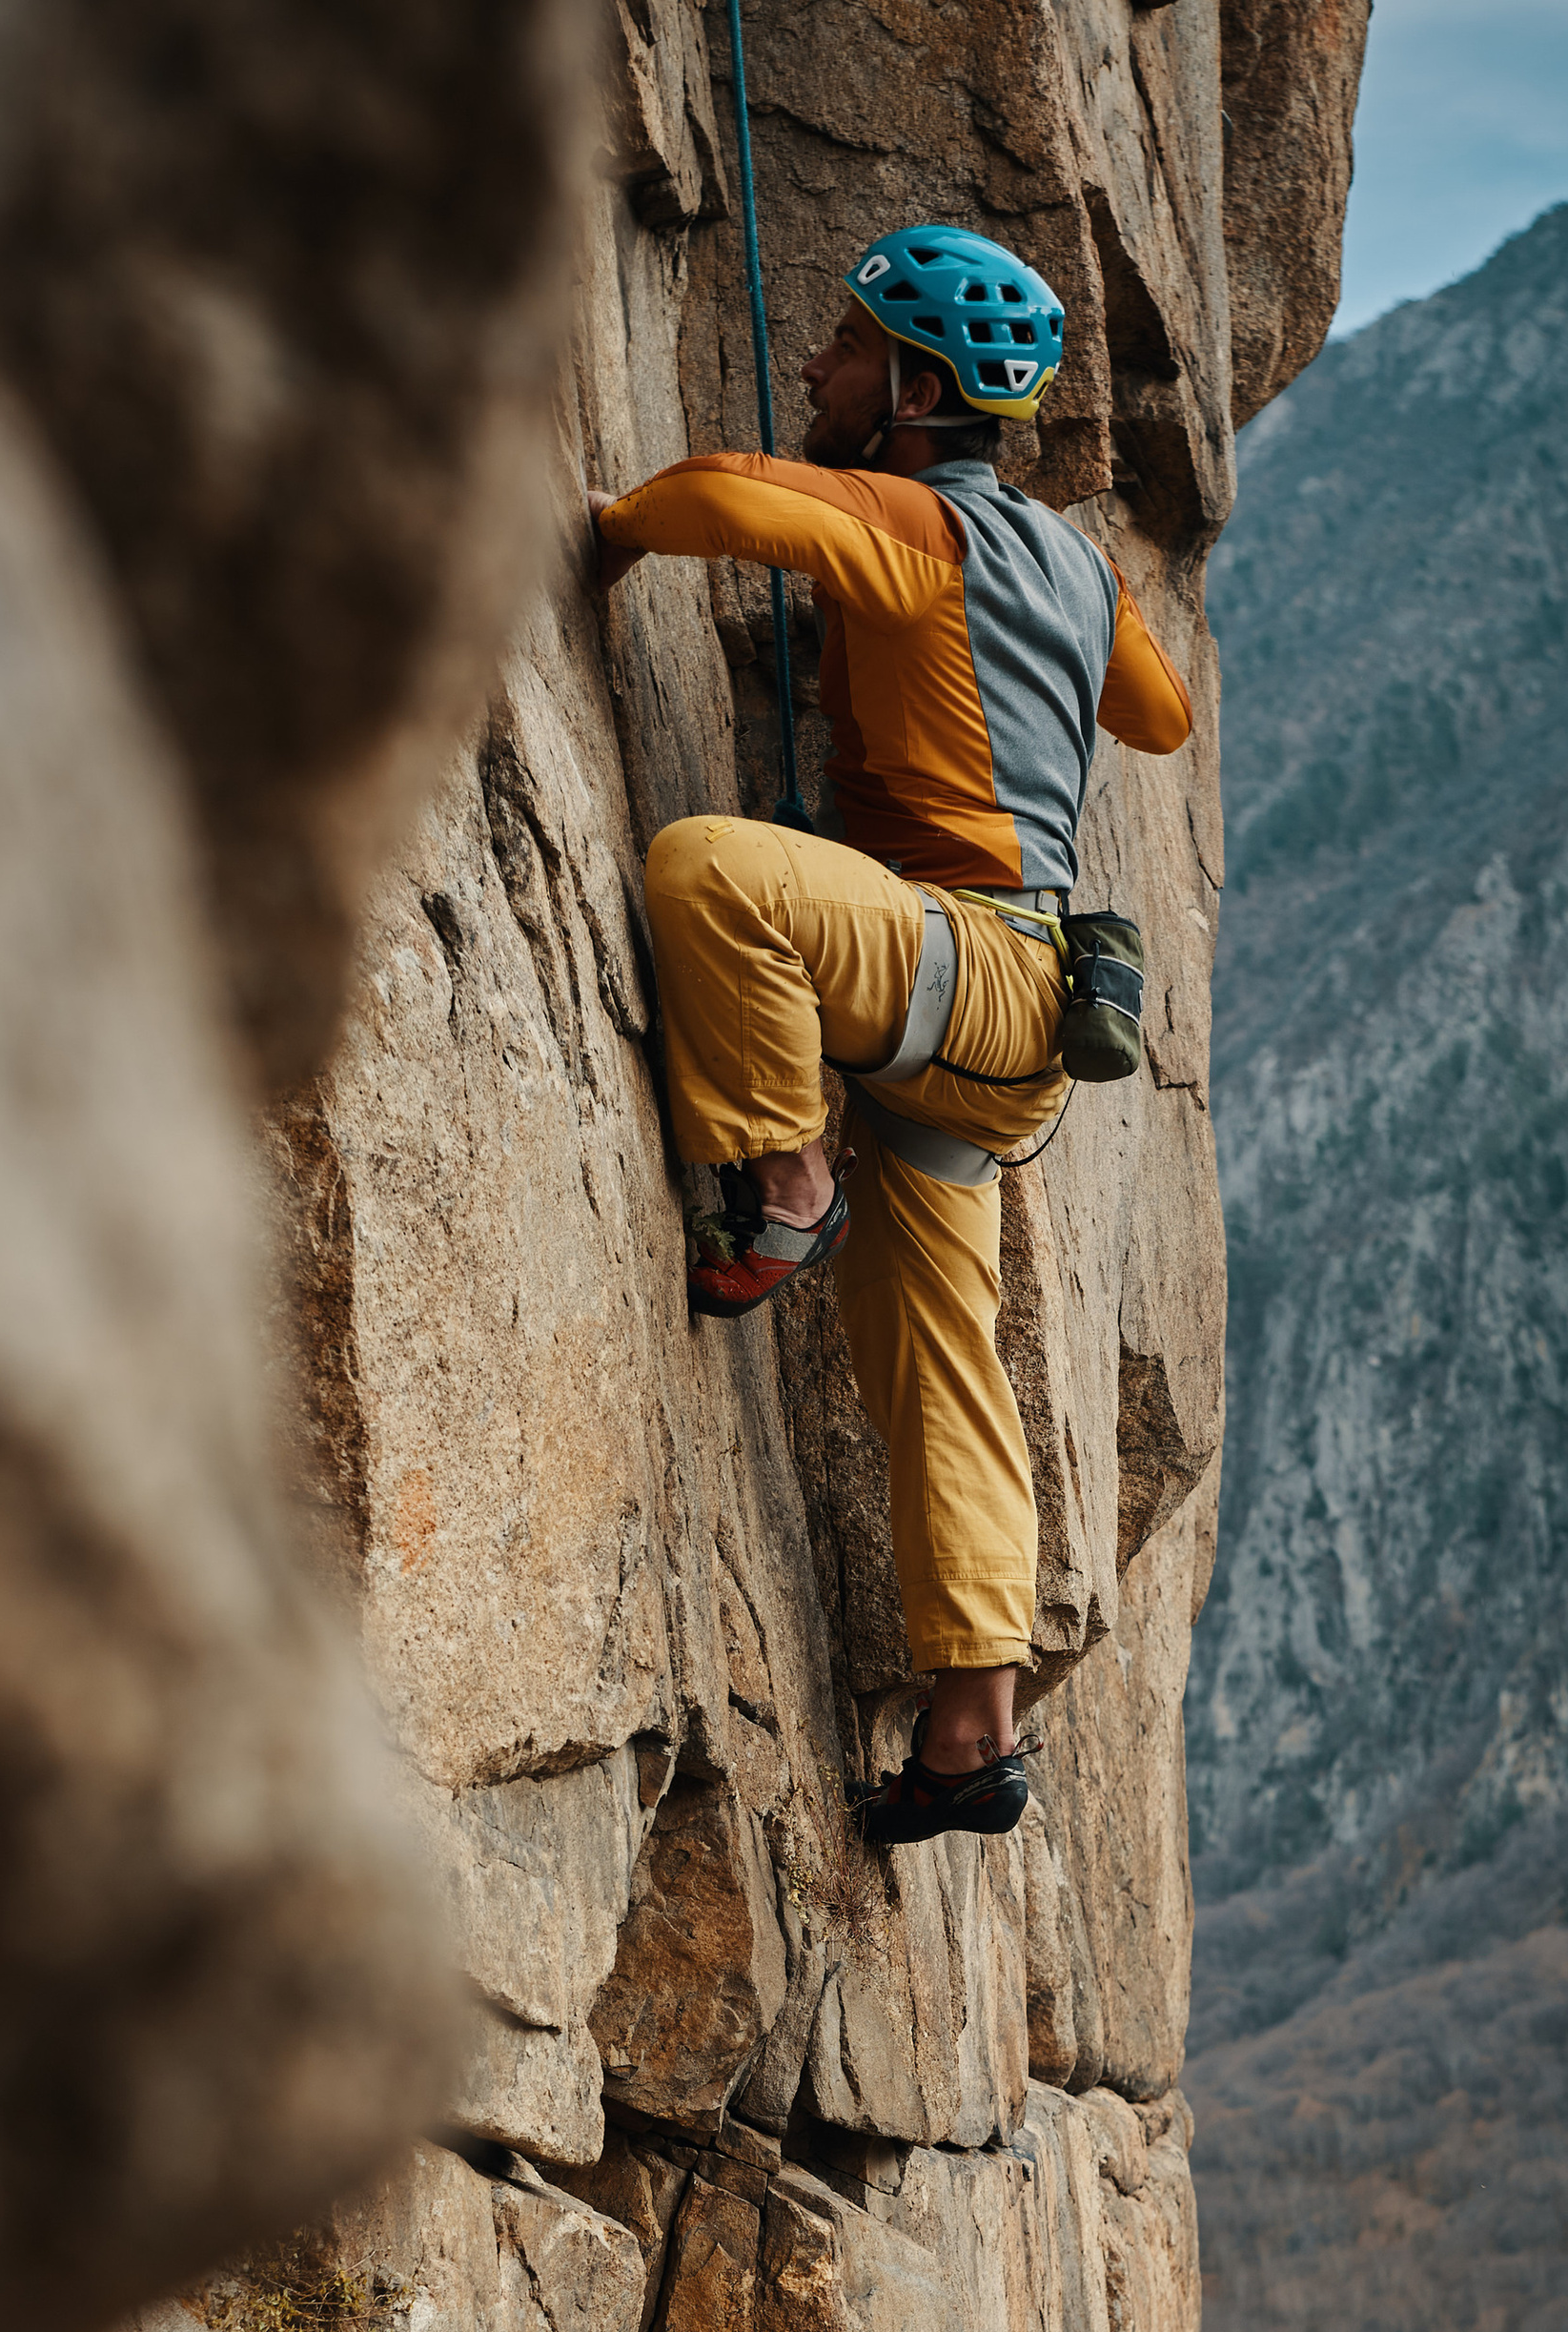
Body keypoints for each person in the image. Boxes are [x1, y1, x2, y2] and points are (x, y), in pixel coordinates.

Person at [587, 226, 1191, 1842]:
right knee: (943, 1366)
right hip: (1022, 1030)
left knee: (712, 873)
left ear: (915, 391)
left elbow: (714, 496)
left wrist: (604, 530)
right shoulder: (1065, 562)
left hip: (961, 968)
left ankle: (787, 1184)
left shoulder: (914, 526)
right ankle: (966, 1742)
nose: (818, 372)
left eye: (847, 354)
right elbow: (1157, 712)